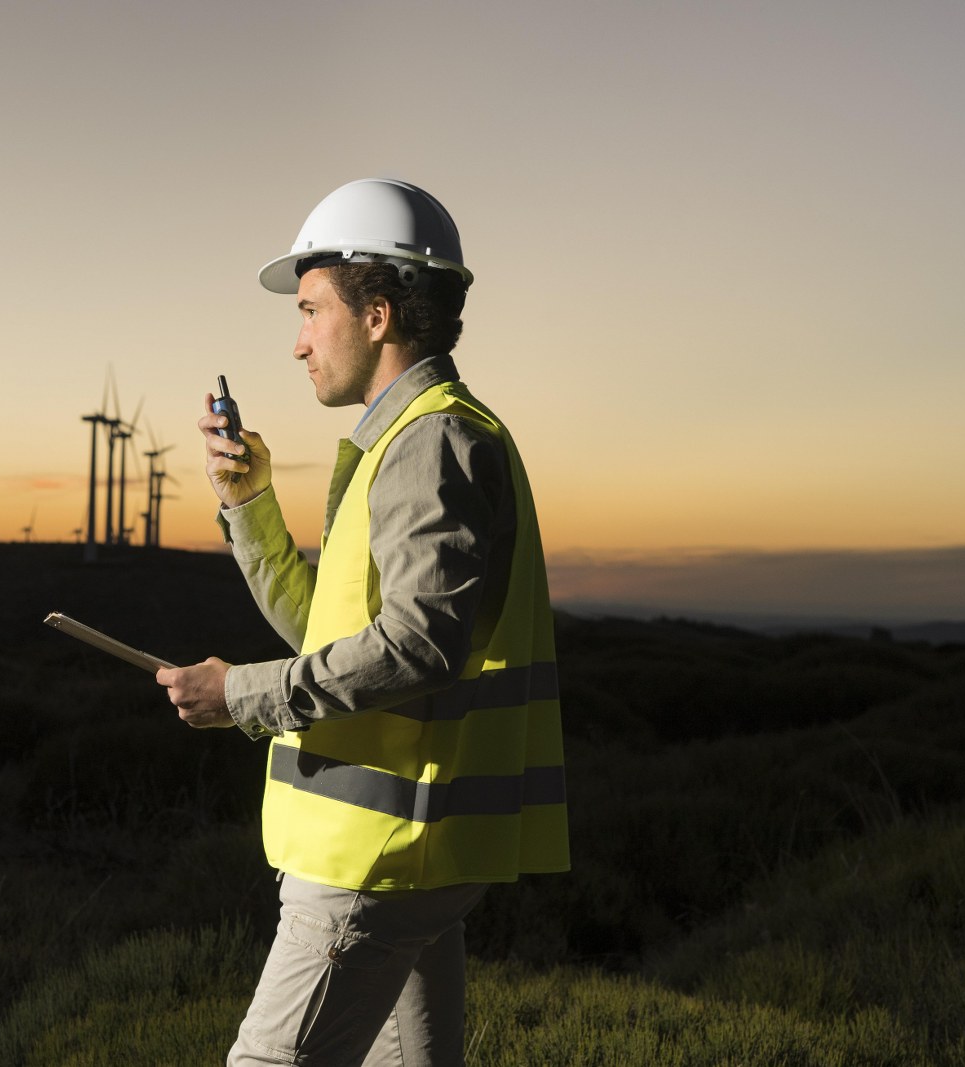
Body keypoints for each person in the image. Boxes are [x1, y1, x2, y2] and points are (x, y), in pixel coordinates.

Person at [156, 177, 568, 1067]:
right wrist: (251, 502)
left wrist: (244, 694)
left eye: (310, 310)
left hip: (373, 857)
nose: (297, 342)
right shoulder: (411, 437)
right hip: (410, 851)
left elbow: (419, 642)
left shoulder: (430, 442)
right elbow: (328, 630)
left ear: (378, 315)